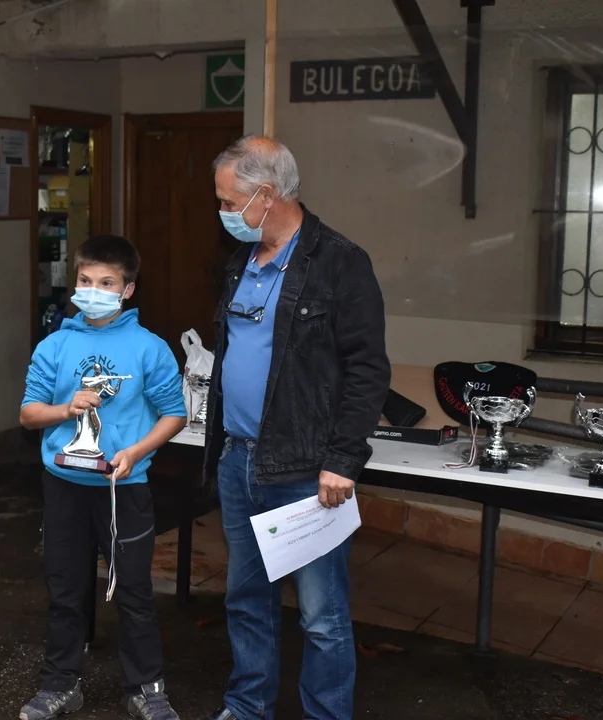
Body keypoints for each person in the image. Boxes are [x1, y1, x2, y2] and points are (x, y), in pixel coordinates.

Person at [199, 136, 391, 720]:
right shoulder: (241, 260)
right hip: (239, 460)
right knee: (246, 599)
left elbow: (367, 369)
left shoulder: (340, 262)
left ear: (266, 195)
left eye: (228, 202)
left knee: (321, 616)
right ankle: (247, 706)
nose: (223, 213)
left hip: (307, 470)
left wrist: (343, 459)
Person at [19, 235, 188, 720]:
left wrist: (135, 452)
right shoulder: (55, 345)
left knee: (134, 592)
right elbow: (29, 414)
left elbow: (174, 414)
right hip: (64, 485)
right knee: (65, 590)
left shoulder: (149, 349)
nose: (93, 291)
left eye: (107, 283)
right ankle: (59, 685)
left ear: (127, 290)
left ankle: (146, 690)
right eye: (86, 281)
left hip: (123, 488)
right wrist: (64, 408)